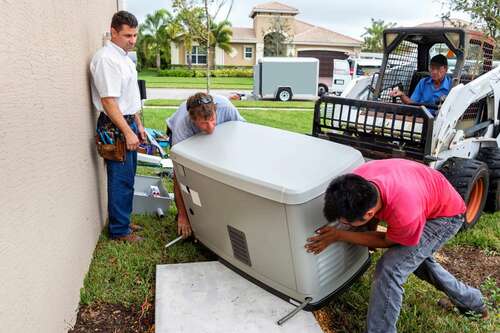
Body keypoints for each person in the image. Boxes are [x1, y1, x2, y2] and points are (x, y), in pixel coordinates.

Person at [305, 158, 487, 333]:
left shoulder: (405, 214)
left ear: (368, 213)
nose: (342, 223)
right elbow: (373, 220)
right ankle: (473, 302)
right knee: (415, 261)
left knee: (391, 269)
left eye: (347, 222)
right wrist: (355, 230)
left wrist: (339, 235)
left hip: (446, 216)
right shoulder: (357, 180)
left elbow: (387, 241)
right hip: (425, 192)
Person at [90, 11, 146, 242]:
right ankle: (119, 231)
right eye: (127, 35)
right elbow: (109, 101)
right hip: (115, 125)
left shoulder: (124, 57)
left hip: (128, 122)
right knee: (120, 179)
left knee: (128, 177)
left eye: (135, 35)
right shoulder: (106, 59)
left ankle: (123, 220)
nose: (132, 40)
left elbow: (129, 97)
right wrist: (127, 130)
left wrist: (139, 125)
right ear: (113, 32)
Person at [167, 92, 245, 238]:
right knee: (189, 175)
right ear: (193, 119)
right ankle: (187, 215)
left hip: (218, 137)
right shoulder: (182, 125)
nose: (210, 128)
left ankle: (218, 211)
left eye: (212, 120)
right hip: (186, 139)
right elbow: (178, 175)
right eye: (203, 123)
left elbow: (242, 134)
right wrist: (183, 216)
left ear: (216, 110)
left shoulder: (227, 108)